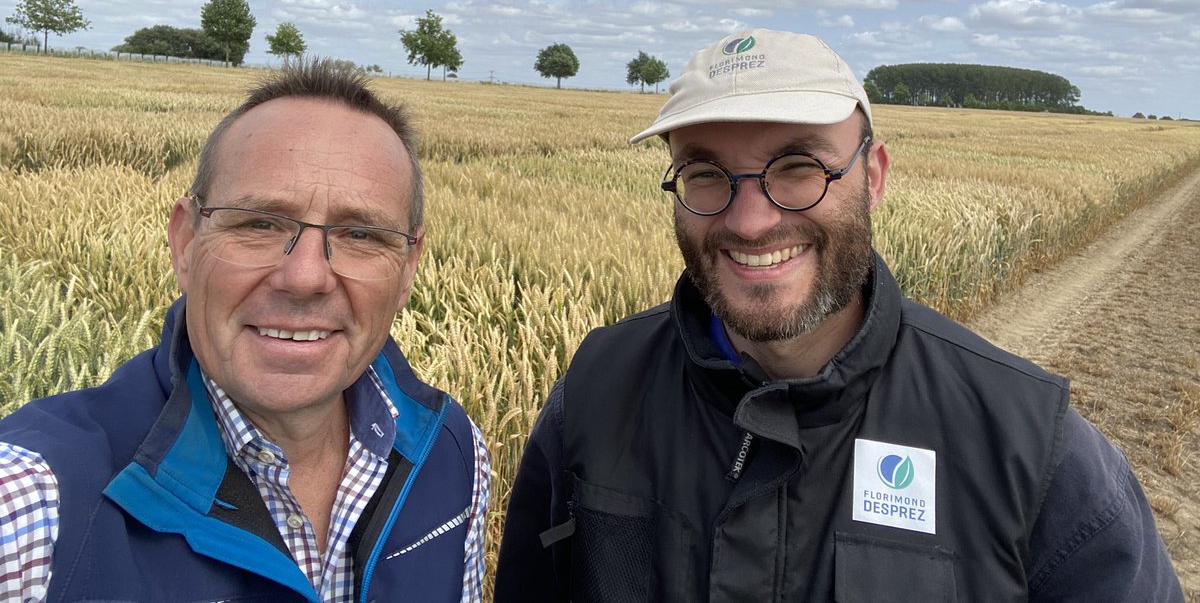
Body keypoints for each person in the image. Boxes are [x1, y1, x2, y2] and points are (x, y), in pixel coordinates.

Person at [494, 29, 1183, 602]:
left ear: (874, 176)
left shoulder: (1032, 447)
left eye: (797, 166)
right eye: (705, 173)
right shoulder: (594, 390)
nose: (752, 220)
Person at [0, 59, 489, 602]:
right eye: (260, 223)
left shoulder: (452, 454)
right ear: (185, 243)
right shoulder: (32, 508)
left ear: (408, 268)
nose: (305, 277)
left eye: (359, 234)